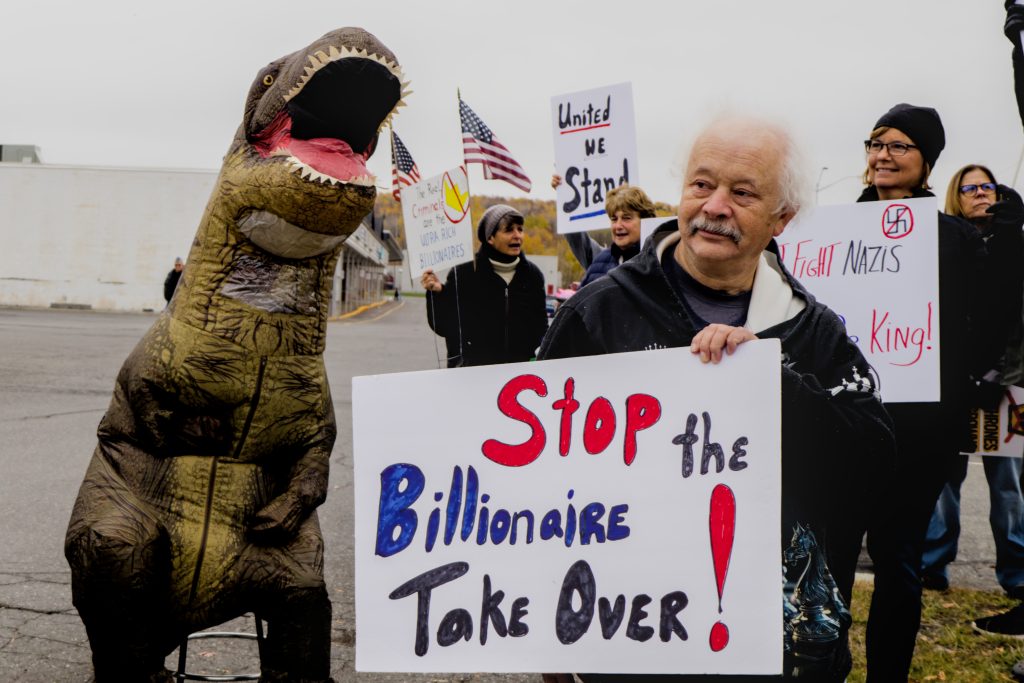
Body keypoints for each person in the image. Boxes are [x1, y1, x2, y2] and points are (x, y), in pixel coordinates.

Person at [539, 116, 896, 681]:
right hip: (628, 637)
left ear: (783, 217)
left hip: (775, 648)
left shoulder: (813, 331)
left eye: (744, 192)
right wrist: (550, 636)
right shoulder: (600, 311)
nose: (716, 206)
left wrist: (775, 379)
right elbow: (536, 482)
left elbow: (874, 465)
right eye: (702, 185)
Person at [856, 104, 1023, 681]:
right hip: (846, 422)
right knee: (824, 557)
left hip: (921, 427)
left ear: (926, 160)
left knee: (899, 558)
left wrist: (1007, 240)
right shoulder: (831, 233)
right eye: (876, 143)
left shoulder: (951, 236)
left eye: (899, 146)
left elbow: (992, 314)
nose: (882, 155)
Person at [920, 165, 1024, 607]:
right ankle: (934, 563)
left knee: (1007, 482)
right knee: (946, 477)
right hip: (954, 380)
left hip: (1010, 383)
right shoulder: (946, 242)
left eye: (988, 186)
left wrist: (1012, 234)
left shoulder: (1015, 243)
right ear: (955, 196)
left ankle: (1017, 572)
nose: (981, 194)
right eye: (971, 188)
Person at [421, 204, 548, 367]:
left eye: (520, 229)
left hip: (516, 376)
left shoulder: (533, 275)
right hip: (471, 377)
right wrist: (438, 294)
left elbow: (541, 327)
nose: (517, 236)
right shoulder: (464, 272)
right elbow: (444, 326)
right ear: (490, 237)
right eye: (509, 230)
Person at [551, 176, 656, 287]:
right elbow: (579, 241)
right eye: (614, 219)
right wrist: (564, 194)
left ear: (645, 220)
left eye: (626, 218)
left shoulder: (658, 263)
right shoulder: (600, 261)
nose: (618, 226)